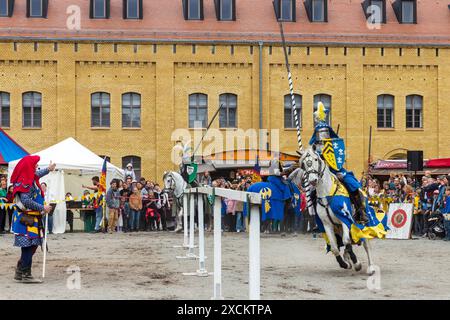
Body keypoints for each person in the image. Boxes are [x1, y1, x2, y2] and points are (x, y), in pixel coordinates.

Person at [309, 102, 368, 223]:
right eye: (320, 133)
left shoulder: (333, 145)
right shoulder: (315, 151)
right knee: (311, 192)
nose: (323, 135)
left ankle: (360, 211)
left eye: (325, 132)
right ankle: (317, 218)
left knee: (352, 184)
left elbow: (337, 156)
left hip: (336, 170)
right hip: (322, 174)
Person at [10, 155, 56, 283]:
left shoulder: (29, 177)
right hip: (25, 218)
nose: (37, 166)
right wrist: (43, 207)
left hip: (31, 217)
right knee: (28, 246)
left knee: (31, 245)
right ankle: (26, 273)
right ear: (29, 166)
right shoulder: (25, 182)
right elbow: (25, 200)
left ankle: (20, 270)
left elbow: (37, 174)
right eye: (35, 164)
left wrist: (49, 169)